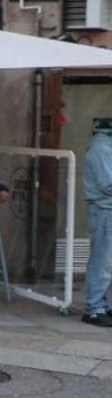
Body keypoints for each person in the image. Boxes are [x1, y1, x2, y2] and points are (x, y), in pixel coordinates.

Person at [83, 118, 112, 328]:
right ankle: (94, 309)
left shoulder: (102, 147)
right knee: (102, 261)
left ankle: (100, 305)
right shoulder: (102, 148)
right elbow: (108, 183)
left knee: (105, 261)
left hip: (105, 209)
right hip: (105, 210)